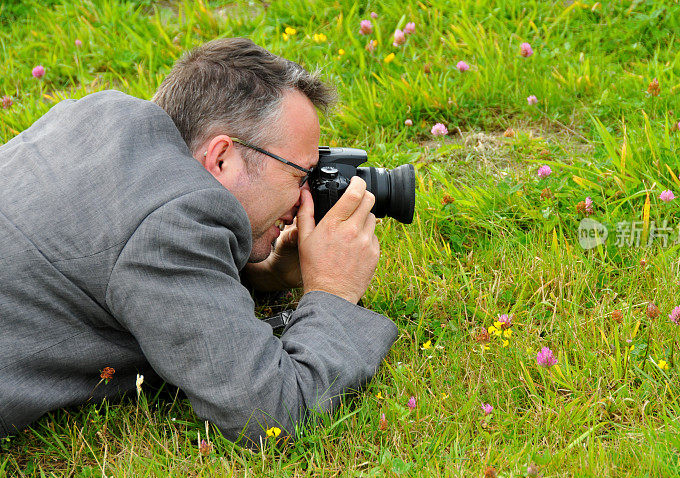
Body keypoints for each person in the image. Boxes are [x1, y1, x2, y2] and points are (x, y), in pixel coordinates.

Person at [0, 38, 399, 446]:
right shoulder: (170, 227)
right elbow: (268, 415)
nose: (305, 199)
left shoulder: (102, 112)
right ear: (221, 157)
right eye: (300, 176)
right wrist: (334, 291)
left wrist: (259, 276)